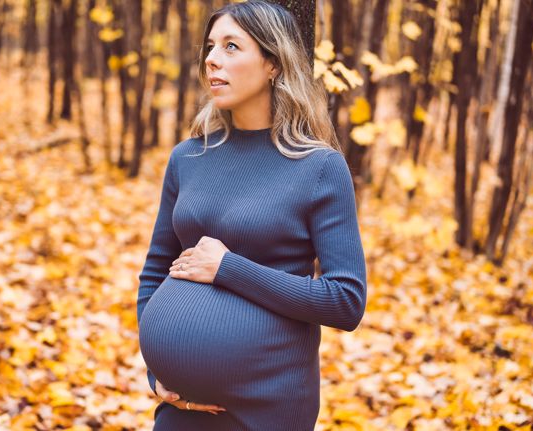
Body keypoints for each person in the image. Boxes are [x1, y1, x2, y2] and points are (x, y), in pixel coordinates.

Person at [136, 1, 367, 430]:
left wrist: (228, 268)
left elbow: (346, 301)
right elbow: (155, 270)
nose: (211, 59)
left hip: (269, 408)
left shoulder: (319, 168)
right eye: (209, 47)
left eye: (230, 47)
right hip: (181, 409)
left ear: (273, 64)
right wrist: (156, 369)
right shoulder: (189, 157)